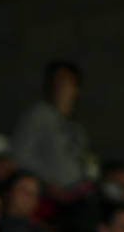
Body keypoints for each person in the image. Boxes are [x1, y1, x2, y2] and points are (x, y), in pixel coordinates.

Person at [8, 59, 89, 191]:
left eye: (65, 81)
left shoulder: (79, 130)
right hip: (46, 194)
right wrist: (46, 181)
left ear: (76, 89)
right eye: (55, 80)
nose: (60, 85)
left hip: (74, 196)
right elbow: (20, 154)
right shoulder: (40, 113)